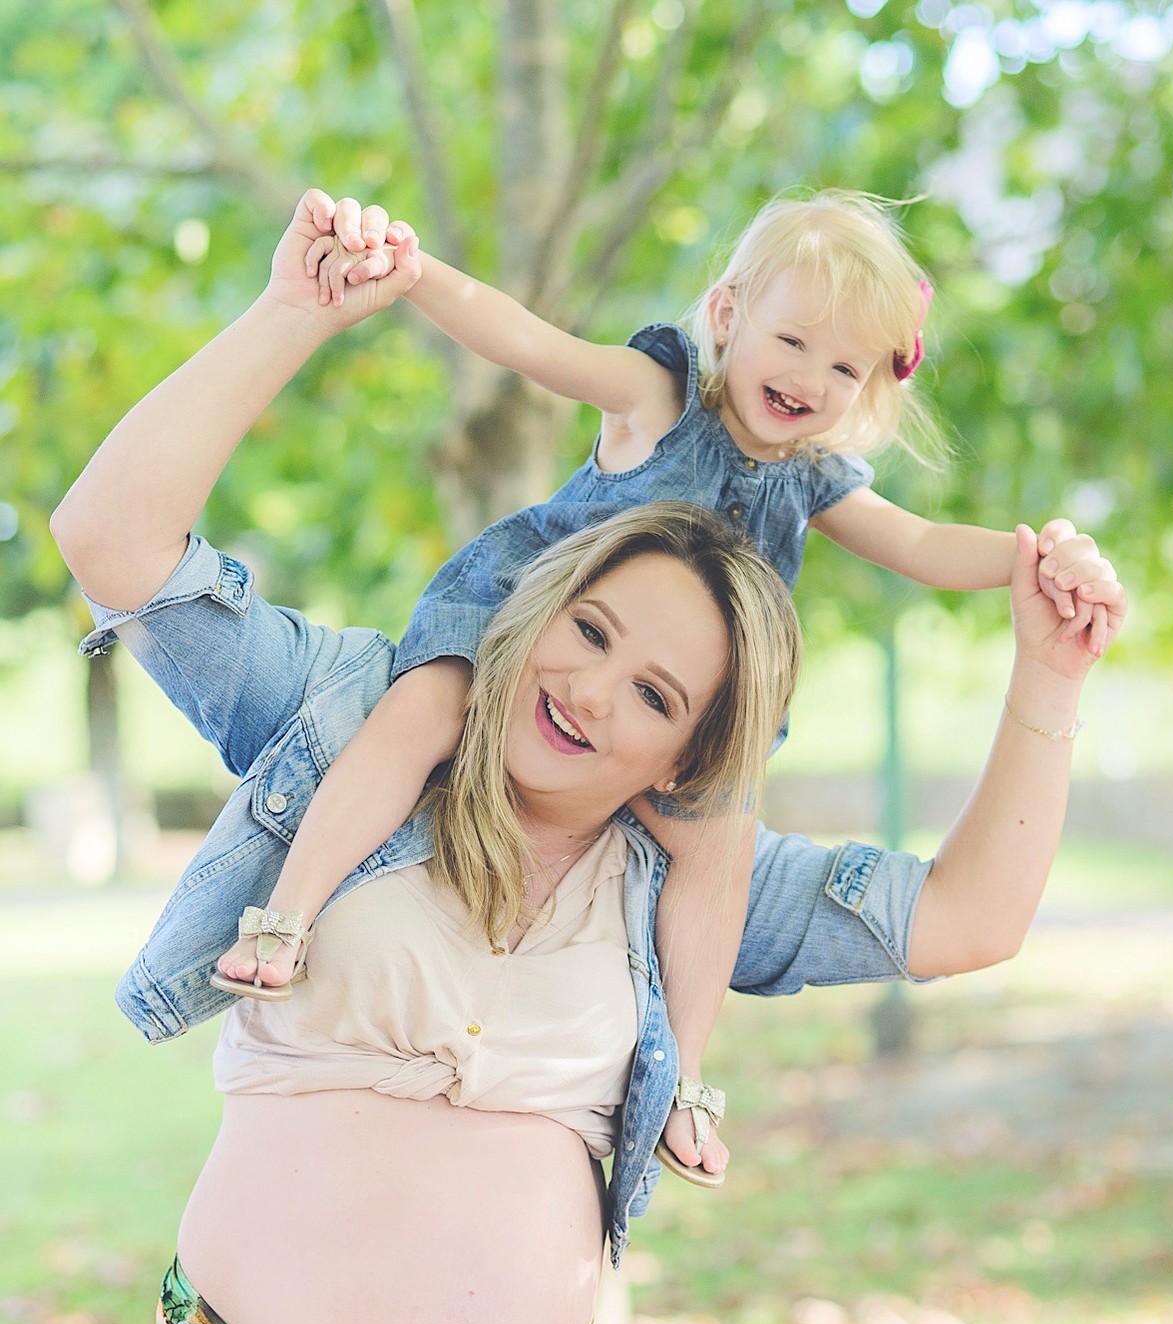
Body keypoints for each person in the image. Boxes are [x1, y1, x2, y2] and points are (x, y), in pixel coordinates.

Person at [50, 190, 1124, 1324]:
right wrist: (295, 312)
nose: (587, 689)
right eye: (589, 629)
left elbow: (968, 918)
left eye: (655, 692)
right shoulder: (360, 722)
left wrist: (1049, 670)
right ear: (538, 598)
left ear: (689, 749)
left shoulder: (679, 877)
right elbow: (113, 546)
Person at [209, 186, 1123, 1189]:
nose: (811, 379)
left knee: (719, 851)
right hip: (526, 629)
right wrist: (415, 277)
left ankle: (685, 1078)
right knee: (425, 711)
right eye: (794, 341)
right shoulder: (660, 397)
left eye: (845, 367)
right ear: (729, 315)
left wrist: (1040, 561)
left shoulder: (815, 480)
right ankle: (287, 915)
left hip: (670, 716)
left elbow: (927, 545)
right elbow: (527, 341)